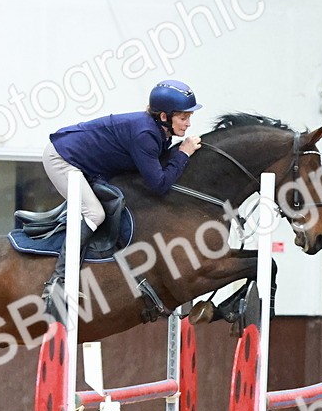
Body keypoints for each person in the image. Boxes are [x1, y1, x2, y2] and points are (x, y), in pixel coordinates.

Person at [39, 79, 203, 305]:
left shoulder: (158, 131)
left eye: (189, 118)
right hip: (63, 159)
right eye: (183, 118)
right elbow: (159, 184)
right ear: (164, 117)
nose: (188, 124)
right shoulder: (145, 134)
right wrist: (183, 154)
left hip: (87, 165)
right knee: (95, 213)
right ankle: (59, 281)